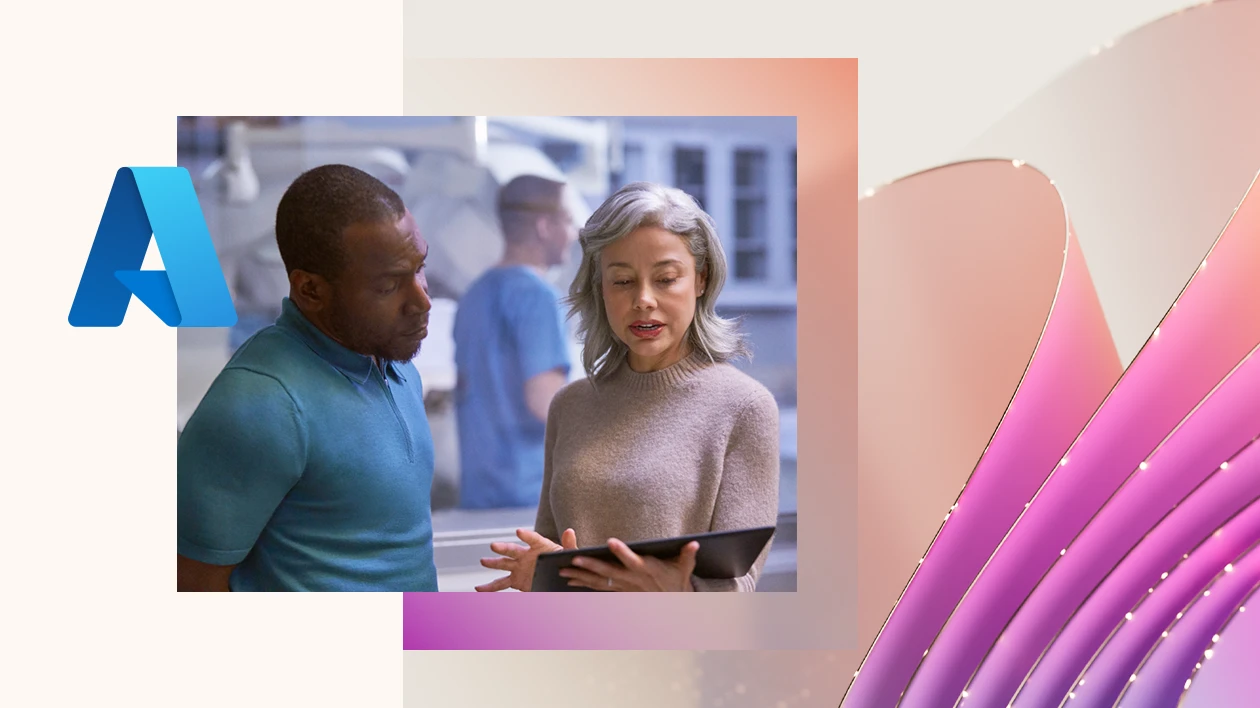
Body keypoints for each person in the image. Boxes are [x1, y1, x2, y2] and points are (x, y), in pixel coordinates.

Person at [476, 181, 780, 593]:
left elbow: (740, 584)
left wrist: (680, 594)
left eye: (666, 278)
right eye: (622, 281)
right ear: (601, 289)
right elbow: (554, 558)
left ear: (701, 279)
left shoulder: (745, 408)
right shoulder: (571, 404)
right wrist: (540, 575)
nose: (643, 300)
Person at [177, 164, 439, 592]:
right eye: (390, 285)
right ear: (311, 290)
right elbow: (190, 585)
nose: (422, 300)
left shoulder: (395, 364)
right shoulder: (260, 402)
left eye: (420, 267)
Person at [452, 175, 578, 509]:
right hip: (528, 499)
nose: (574, 232)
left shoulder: (473, 296)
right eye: (567, 220)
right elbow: (545, 403)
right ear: (543, 227)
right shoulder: (537, 297)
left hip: (478, 498)